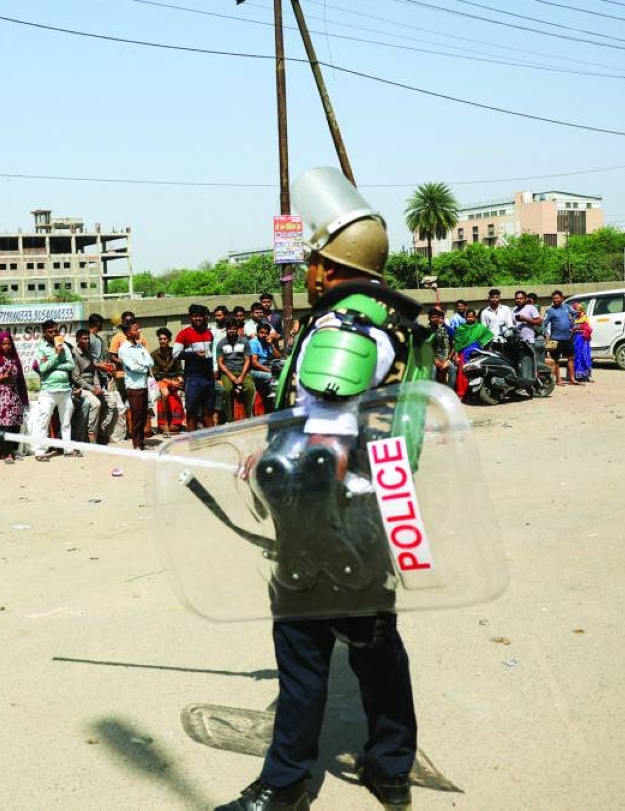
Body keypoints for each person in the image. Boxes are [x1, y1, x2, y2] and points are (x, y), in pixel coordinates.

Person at [218, 167, 426, 811]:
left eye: (312, 259)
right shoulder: (390, 319)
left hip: (327, 515)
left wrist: (275, 467)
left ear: (328, 266)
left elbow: (328, 439)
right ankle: (391, 765)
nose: (307, 270)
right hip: (375, 504)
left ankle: (283, 784)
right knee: (373, 640)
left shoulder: (343, 329)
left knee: (303, 645)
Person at [31, 320, 78, 461]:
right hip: (49, 391)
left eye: (55, 331)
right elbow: (43, 368)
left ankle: (68, 448)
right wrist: (56, 355)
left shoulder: (64, 346)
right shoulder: (41, 348)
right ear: (44, 334)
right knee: (43, 420)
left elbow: (71, 365)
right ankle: (39, 451)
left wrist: (55, 366)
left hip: (64, 389)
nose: (54, 334)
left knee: (66, 421)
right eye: (50, 332)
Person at [0, 330, 29, 464]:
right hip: (0, 396)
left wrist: (23, 397)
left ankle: (12, 450)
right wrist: (0, 377)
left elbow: (20, 378)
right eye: (4, 344)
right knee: (3, 424)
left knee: (14, 424)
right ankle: (5, 452)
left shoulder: (14, 358)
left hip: (13, 395)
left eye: (9, 344)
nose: (7, 346)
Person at [175, 303, 218, 431]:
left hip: (208, 377)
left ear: (204, 317)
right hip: (193, 377)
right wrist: (194, 354)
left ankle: (211, 440)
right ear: (190, 317)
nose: (198, 319)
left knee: (208, 410)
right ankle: (192, 439)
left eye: (200, 316)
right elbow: (176, 354)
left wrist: (215, 369)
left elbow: (214, 353)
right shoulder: (184, 333)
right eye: (195, 316)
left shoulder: (210, 333)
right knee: (192, 410)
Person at [73, 329, 119, 444]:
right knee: (96, 404)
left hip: (94, 387)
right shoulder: (75, 353)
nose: (87, 341)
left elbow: (94, 374)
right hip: (82, 387)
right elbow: (76, 378)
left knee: (112, 402)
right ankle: (91, 433)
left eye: (88, 338)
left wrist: (97, 387)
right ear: (78, 339)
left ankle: (102, 429)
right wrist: (92, 389)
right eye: (84, 338)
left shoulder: (89, 353)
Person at [118, 322, 153, 450]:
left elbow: (150, 362)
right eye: (136, 330)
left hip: (143, 385)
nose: (139, 332)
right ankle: (136, 443)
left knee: (144, 414)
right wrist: (144, 366)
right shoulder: (123, 349)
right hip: (133, 387)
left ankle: (142, 442)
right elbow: (132, 367)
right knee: (137, 415)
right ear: (128, 333)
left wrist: (141, 364)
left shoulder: (140, 346)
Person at [217, 318, 256, 421]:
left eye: (234, 329)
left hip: (242, 370)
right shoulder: (221, 343)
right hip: (227, 372)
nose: (231, 331)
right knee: (227, 390)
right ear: (226, 329)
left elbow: (248, 360)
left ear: (238, 329)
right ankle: (229, 419)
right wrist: (232, 377)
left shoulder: (244, 342)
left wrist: (242, 376)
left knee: (250, 388)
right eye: (229, 329)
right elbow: (220, 363)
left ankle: (248, 416)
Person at [151, 327, 184, 436]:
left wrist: (180, 378)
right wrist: (170, 382)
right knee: (165, 393)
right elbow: (156, 374)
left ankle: (188, 420)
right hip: (161, 380)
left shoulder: (174, 352)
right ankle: (165, 423)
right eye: (160, 339)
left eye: (164, 339)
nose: (162, 341)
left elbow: (179, 370)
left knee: (191, 388)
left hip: (173, 378)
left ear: (169, 340)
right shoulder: (154, 354)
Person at [543, 290, 579, 386]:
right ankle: (558, 380)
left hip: (568, 338)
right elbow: (544, 323)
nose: (555, 300)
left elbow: (575, 313)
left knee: (571, 358)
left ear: (562, 299)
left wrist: (572, 322)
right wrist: (545, 333)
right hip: (556, 339)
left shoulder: (567, 307)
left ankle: (572, 379)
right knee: (555, 359)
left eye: (557, 298)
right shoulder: (549, 310)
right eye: (553, 298)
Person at [248, 321, 280, 411]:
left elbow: (278, 356)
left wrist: (271, 345)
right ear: (257, 333)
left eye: (266, 333)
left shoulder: (267, 343)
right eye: (261, 333)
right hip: (255, 370)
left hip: (267, 367)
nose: (263, 335)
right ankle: (273, 401)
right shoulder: (254, 343)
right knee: (271, 377)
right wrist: (269, 371)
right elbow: (254, 363)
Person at [427, 306, 456, 387]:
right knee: (433, 370)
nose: (435, 319)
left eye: (437, 317)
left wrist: (446, 360)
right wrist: (435, 360)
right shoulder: (427, 331)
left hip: (443, 357)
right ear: (429, 318)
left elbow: (446, 346)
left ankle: (450, 391)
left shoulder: (443, 329)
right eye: (433, 317)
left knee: (453, 369)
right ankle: (432, 394)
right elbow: (426, 349)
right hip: (431, 359)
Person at [572, 301, 594, 383]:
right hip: (575, 340)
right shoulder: (574, 319)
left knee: (585, 356)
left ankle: (588, 375)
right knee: (576, 357)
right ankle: (577, 375)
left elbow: (589, 329)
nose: (576, 312)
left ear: (582, 310)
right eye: (575, 311)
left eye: (578, 311)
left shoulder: (585, 318)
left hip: (583, 340)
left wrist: (579, 330)